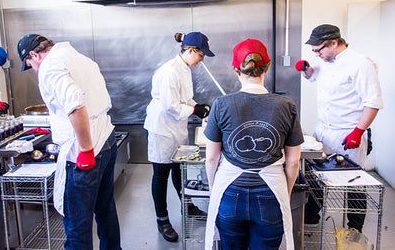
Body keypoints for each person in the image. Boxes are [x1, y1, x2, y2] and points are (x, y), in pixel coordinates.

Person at [17, 34, 121, 250]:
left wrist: (85, 149)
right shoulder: (80, 58)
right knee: (105, 209)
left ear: (34, 54)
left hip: (84, 149)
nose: (35, 70)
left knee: (77, 223)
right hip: (107, 140)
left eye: (30, 65)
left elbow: (75, 104)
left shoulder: (50, 66)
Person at [204, 38, 303, 250]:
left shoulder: (221, 104)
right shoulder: (287, 105)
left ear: (236, 70)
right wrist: (284, 192)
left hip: (230, 192)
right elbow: (293, 162)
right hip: (271, 193)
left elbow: (211, 158)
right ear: (267, 67)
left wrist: (214, 189)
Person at [296, 24, 383, 232]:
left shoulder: (360, 64)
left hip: (348, 133)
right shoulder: (327, 60)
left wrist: (359, 131)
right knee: (315, 176)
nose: (317, 54)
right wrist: (307, 70)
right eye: (314, 51)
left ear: (334, 43)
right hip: (325, 130)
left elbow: (373, 103)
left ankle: (354, 229)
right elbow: (314, 75)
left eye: (319, 50)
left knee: (353, 183)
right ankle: (311, 217)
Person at [143, 31, 215, 242]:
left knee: (179, 168)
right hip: (162, 128)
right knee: (161, 173)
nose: (202, 61)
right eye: (201, 56)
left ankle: (188, 206)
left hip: (176, 127)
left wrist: (199, 106)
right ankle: (162, 219)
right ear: (191, 51)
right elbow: (171, 106)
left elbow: (186, 99)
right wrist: (195, 111)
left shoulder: (185, 69)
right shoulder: (169, 71)